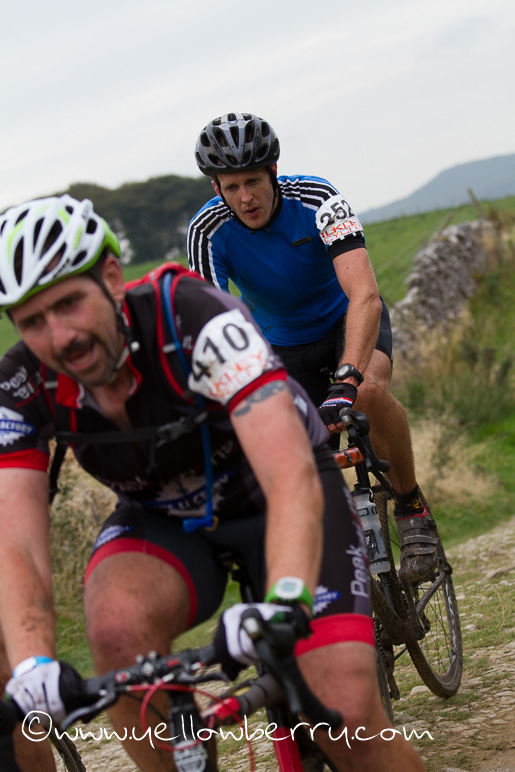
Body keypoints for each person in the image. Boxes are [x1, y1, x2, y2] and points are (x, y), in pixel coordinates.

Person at [0, 194, 426, 772]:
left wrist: (287, 599)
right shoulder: (21, 383)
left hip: (279, 496)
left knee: (348, 716)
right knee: (115, 629)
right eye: (32, 322)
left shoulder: (193, 316)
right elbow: (17, 541)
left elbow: (288, 471)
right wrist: (31, 664)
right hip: (164, 519)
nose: (60, 336)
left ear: (112, 278)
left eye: (70, 303)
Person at [188, 111, 439, 585]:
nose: (245, 197)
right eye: (231, 187)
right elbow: (213, 328)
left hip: (348, 321)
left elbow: (363, 294)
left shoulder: (319, 199)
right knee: (295, 454)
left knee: (366, 393)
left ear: (273, 173)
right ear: (216, 187)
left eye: (253, 181)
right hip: (282, 346)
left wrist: (347, 378)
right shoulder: (207, 231)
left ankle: (411, 509)